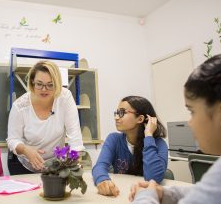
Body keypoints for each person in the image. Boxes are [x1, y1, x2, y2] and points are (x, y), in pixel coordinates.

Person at [129, 54, 221, 204]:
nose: (189, 123)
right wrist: (162, 193)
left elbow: (152, 177)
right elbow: (206, 192)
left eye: (192, 111)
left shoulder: (158, 144)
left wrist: (145, 196)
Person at [7, 60, 85, 174]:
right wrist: (25, 150)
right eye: (39, 84)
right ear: (32, 81)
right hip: (25, 166)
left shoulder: (64, 97)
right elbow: (12, 140)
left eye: (50, 85)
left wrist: (75, 165)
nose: (44, 89)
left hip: (55, 166)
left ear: (57, 83)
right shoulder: (20, 106)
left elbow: (75, 136)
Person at [92, 95, 168, 197]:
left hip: (144, 198)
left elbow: (153, 179)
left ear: (140, 119)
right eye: (117, 113)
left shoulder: (159, 144)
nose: (116, 117)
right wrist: (102, 180)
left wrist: (149, 135)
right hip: (119, 195)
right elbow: (100, 166)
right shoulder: (114, 139)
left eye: (122, 113)